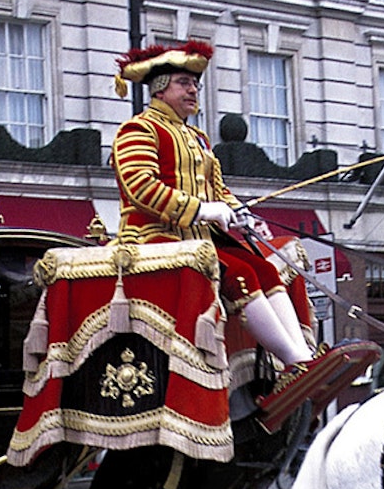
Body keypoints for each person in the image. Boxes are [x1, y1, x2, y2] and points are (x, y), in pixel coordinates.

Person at [111, 40, 314, 381]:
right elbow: (140, 187)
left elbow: (217, 190)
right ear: (160, 89)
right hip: (154, 237)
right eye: (184, 83)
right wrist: (202, 210)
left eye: (195, 85)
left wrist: (239, 212)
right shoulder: (139, 129)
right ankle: (294, 360)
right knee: (241, 274)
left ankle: (303, 358)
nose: (193, 90)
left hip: (199, 238)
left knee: (262, 268)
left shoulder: (198, 138)